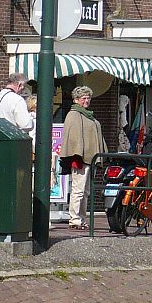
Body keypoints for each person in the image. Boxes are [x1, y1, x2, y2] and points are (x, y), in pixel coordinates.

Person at [60, 86, 107, 230]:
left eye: (88, 98)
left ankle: (81, 217)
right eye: (83, 98)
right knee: (78, 189)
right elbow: (73, 138)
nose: (86, 101)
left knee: (86, 191)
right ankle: (74, 218)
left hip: (90, 158)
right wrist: (76, 154)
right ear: (76, 100)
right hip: (80, 159)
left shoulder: (88, 115)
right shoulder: (74, 115)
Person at [0, 73, 35, 138]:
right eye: (23, 88)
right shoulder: (17, 99)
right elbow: (26, 125)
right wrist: (32, 119)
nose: (22, 91)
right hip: (11, 141)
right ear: (19, 85)